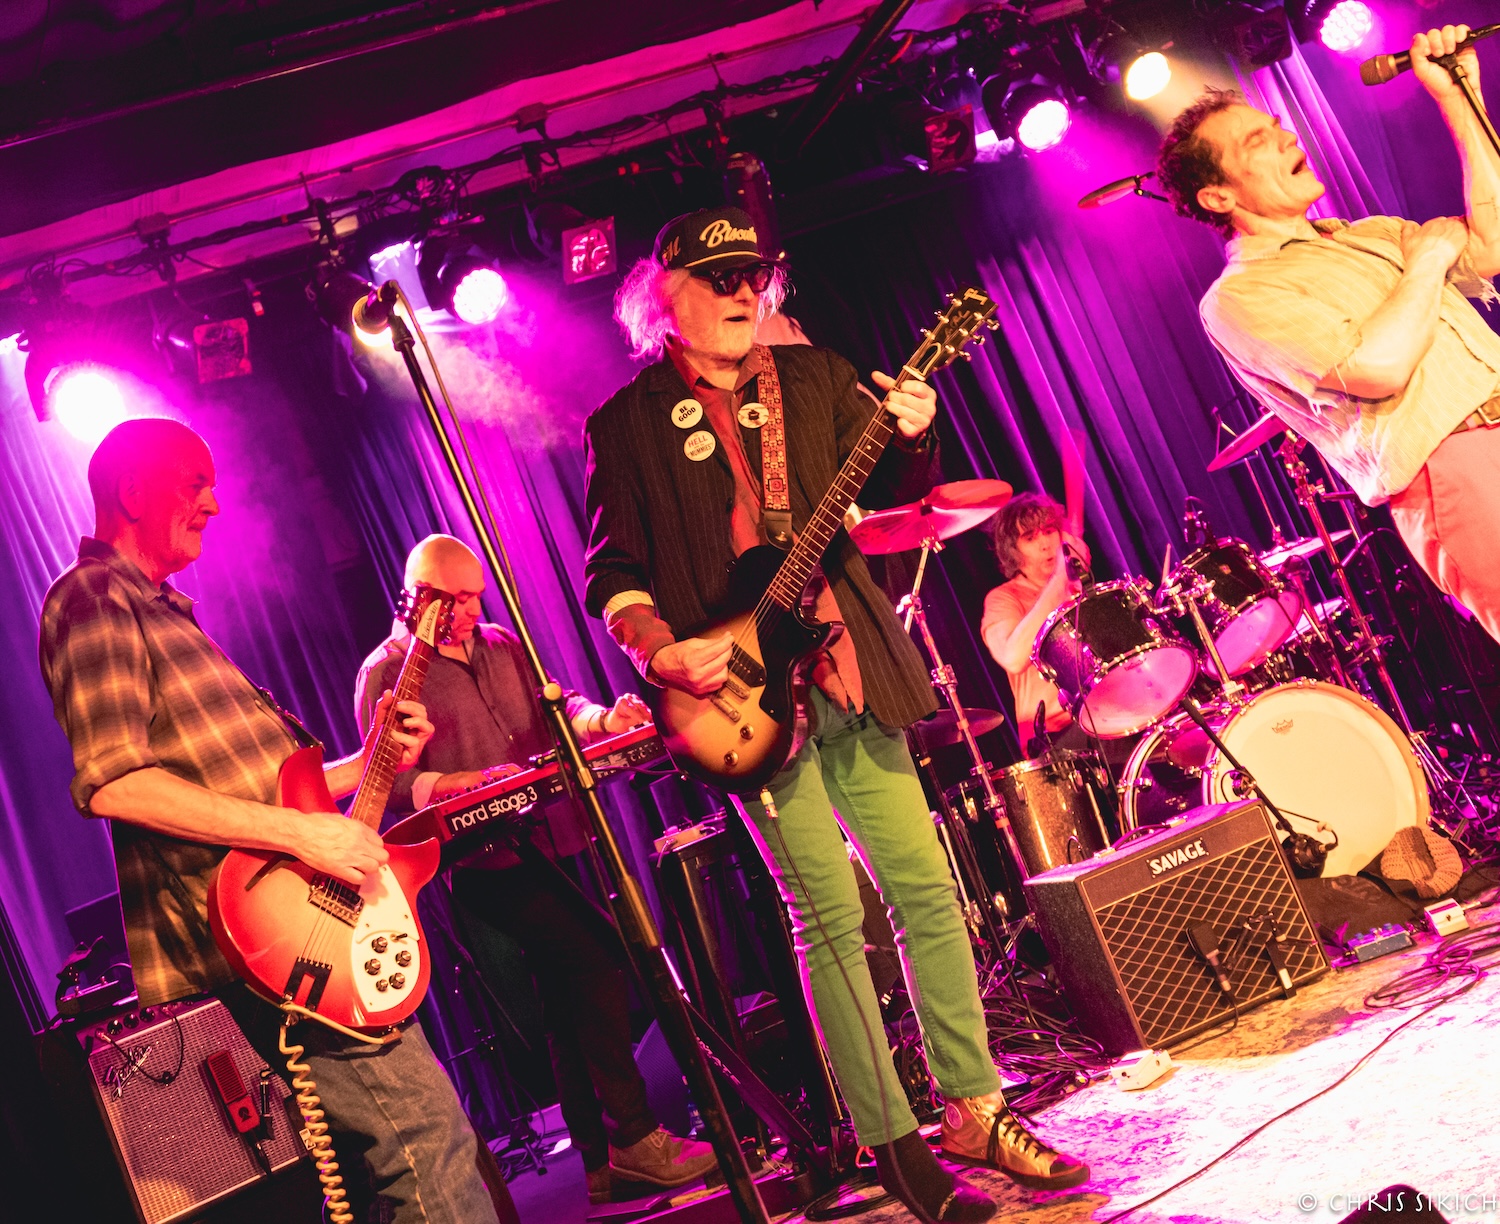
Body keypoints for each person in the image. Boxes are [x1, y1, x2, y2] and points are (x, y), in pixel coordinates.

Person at [583, 205, 1089, 1221]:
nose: (742, 292)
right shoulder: (626, 424)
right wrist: (659, 650)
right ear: (662, 299)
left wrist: (916, 432)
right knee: (828, 918)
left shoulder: (813, 377)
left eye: (753, 276)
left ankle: (975, 1109)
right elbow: (613, 570)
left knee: (928, 893)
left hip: (852, 667)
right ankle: (892, 1143)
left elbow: (899, 489)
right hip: (741, 699)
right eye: (719, 279)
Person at [38, 418, 504, 1224]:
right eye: (196, 483)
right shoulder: (95, 597)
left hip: (291, 924)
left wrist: (369, 761)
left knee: (390, 1164)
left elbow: (264, 791)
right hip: (271, 939)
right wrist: (305, 835)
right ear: (133, 492)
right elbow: (115, 785)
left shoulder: (163, 611)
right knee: (423, 1142)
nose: (215, 504)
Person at [355, 534, 717, 1206]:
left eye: (476, 597)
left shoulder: (501, 643)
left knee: (564, 999)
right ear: (417, 598)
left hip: (555, 835)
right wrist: (452, 783)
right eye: (458, 599)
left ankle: (601, 1165)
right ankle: (635, 1135)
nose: (472, 610)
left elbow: (562, 707)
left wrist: (603, 719)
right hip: (483, 860)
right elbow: (384, 784)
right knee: (597, 960)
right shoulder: (388, 671)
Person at [1156, 23, 1500, 644]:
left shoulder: (1370, 233)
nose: (1286, 135)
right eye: (1257, 141)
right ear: (1218, 196)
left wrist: (1457, 95)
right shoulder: (1239, 296)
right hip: (1456, 464)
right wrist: (1426, 262)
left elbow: (1492, 243)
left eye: (1275, 126)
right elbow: (1378, 367)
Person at [980, 431, 1090, 754]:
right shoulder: (1003, 599)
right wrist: (1060, 579)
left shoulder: (1077, 586)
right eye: (1030, 538)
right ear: (1013, 552)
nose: (1045, 543)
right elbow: (1013, 658)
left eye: (1049, 531)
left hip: (1100, 714)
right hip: (1053, 739)